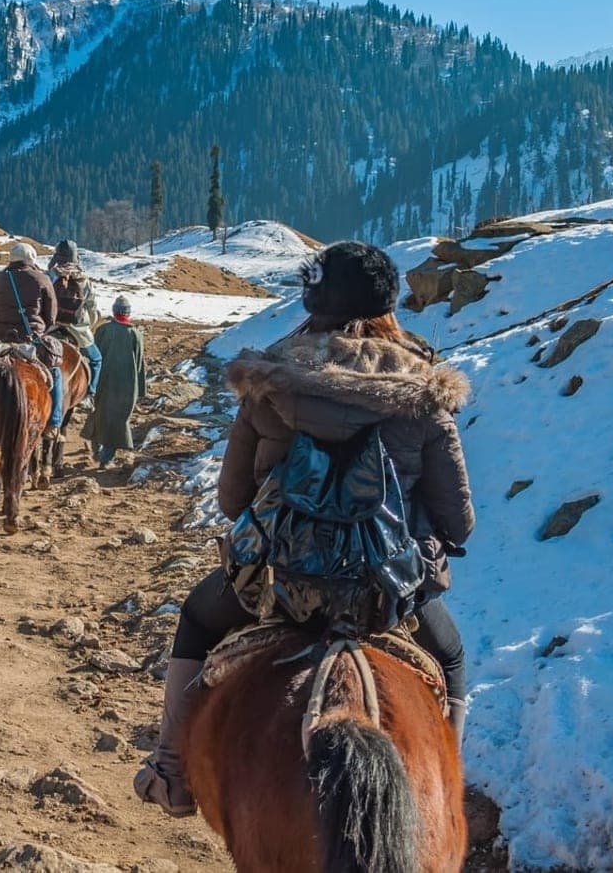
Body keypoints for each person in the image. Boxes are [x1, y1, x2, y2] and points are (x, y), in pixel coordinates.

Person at [132, 240, 476, 818]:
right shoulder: (424, 394)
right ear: (387, 304)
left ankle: (171, 771)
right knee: (452, 658)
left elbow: (232, 499)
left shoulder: (271, 382)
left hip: (279, 586)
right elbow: (458, 521)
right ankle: (447, 800)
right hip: (383, 593)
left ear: (314, 301)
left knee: (195, 620)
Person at [0, 242, 64, 428]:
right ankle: (54, 422)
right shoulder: (42, 279)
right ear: (32, 259)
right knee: (55, 372)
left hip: (1, 341)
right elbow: (51, 316)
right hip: (31, 341)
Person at [82, 295, 146, 468]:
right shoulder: (135, 334)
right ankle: (105, 458)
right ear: (128, 313)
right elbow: (139, 362)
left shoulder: (103, 330)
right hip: (126, 386)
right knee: (118, 421)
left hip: (102, 381)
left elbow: (93, 355)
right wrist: (140, 390)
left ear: (114, 311)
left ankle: (96, 450)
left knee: (99, 415)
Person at [48, 240, 102, 400]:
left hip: (50, 328)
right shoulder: (84, 280)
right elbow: (91, 309)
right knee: (96, 359)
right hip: (77, 332)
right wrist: (87, 326)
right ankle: (89, 394)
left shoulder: (50, 277)